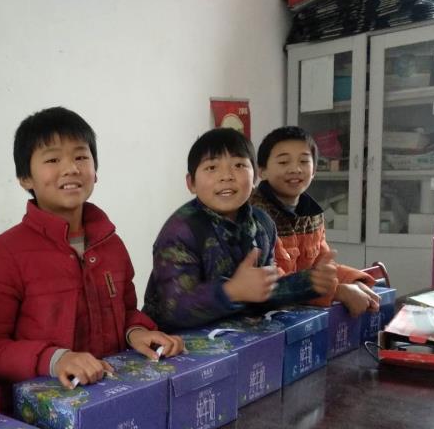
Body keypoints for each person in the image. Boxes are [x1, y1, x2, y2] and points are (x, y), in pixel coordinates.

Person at [0, 106, 183, 412]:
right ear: (25, 177)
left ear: (95, 170)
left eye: (81, 157)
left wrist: (138, 333)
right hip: (36, 420)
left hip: (114, 402)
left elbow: (127, 311)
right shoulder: (0, 255)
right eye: (53, 160)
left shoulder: (111, 244)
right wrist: (55, 360)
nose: (71, 168)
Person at [144, 127, 337, 331]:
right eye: (212, 167)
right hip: (175, 342)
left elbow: (264, 291)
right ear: (191, 183)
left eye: (238, 165)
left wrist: (308, 283)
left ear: (254, 179)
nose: (226, 176)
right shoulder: (181, 231)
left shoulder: (263, 224)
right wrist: (231, 291)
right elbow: (173, 309)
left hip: (238, 337)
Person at [251, 126, 379, 316]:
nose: (295, 169)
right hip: (263, 317)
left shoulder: (312, 214)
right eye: (284, 162)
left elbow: (322, 268)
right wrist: (337, 291)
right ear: (262, 171)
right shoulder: (255, 216)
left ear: (314, 171)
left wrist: (353, 281)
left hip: (299, 314)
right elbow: (271, 282)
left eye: (304, 161)